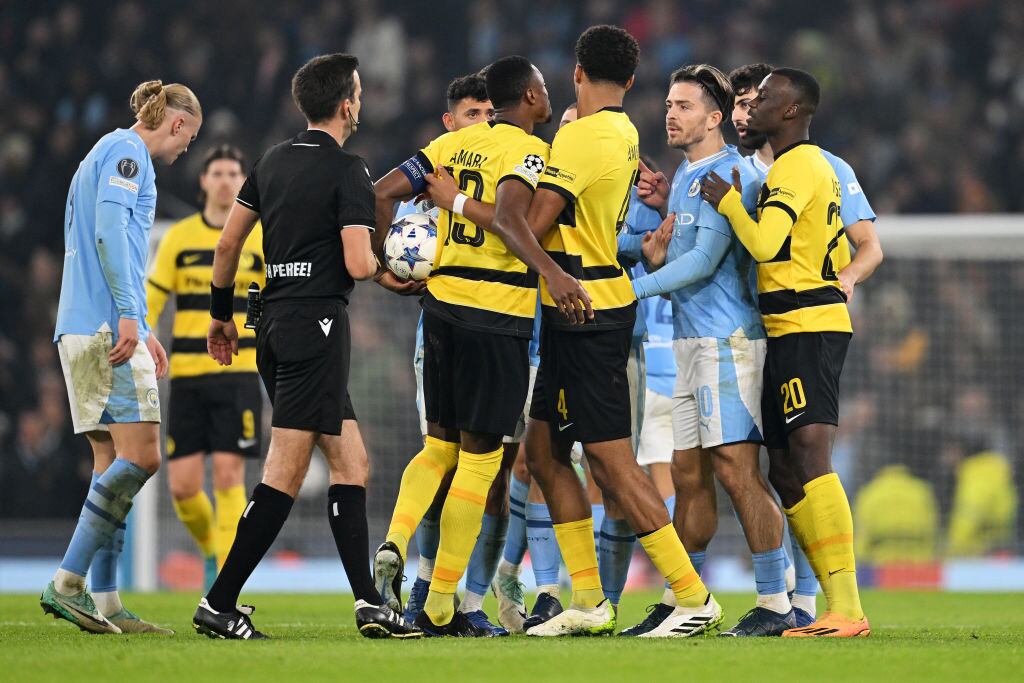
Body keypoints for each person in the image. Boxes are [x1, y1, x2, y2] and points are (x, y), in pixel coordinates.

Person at [193, 53, 418, 640]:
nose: (361, 102)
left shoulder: (269, 161)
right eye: (360, 94)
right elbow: (356, 261)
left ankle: (369, 602)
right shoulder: (351, 171)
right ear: (347, 105)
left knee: (352, 462)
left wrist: (221, 318)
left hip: (270, 325)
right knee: (285, 472)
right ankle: (218, 602)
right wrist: (391, 271)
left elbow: (227, 248)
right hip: (316, 329)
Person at [372, 54, 587, 637]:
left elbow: (382, 192)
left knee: (438, 447)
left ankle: (393, 539)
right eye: (543, 88)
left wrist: (381, 262)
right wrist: (555, 275)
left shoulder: (449, 148)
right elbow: (515, 223)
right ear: (529, 97)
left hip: (439, 308)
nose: (547, 95)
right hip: (495, 316)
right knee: (481, 458)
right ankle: (442, 604)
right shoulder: (527, 152)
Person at [516, 25, 720, 638]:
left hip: (587, 309)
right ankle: (591, 600)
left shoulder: (580, 138)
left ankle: (691, 596)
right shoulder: (624, 131)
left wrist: (469, 202)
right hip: (577, 307)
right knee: (544, 451)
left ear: (577, 73)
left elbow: (531, 222)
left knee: (609, 459)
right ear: (630, 82)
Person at [617, 64, 794, 637]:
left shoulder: (732, 174)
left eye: (685, 106)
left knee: (738, 473)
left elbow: (701, 263)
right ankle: (683, 600)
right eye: (669, 104)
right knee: (689, 475)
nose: (671, 113)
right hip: (691, 343)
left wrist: (627, 289)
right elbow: (670, 250)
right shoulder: (687, 174)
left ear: (715, 118)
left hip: (728, 343)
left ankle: (775, 601)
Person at [701, 67, 874, 637]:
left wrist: (728, 204)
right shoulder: (795, 164)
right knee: (785, 465)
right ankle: (831, 602)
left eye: (767, 98)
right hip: (785, 328)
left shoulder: (799, 166)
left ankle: (846, 606)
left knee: (810, 455)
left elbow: (767, 244)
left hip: (809, 324)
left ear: (793, 111)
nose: (753, 108)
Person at [42, 79, 202, 634]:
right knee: (145, 457)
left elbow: (117, 246)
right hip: (107, 329)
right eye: (190, 138)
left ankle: (105, 602)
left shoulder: (103, 151)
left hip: (86, 326)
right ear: (178, 123)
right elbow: (110, 232)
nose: (187, 150)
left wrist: (146, 324)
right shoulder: (129, 152)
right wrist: (132, 317)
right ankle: (67, 582)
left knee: (111, 464)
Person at [394, 74, 512, 635]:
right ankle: (429, 589)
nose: (483, 121)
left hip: (503, 328)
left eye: (490, 112)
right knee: (459, 464)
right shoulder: (431, 186)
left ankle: (471, 600)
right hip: (471, 326)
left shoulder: (473, 170)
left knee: (496, 478)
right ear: (449, 121)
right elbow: (402, 247)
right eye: (471, 113)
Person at [146, 145, 264, 591]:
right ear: (203, 182)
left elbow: (265, 299)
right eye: (216, 172)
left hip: (239, 370)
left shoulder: (258, 237)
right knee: (182, 487)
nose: (225, 179)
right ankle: (213, 546)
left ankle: (224, 577)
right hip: (189, 375)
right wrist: (142, 332)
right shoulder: (179, 237)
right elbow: (155, 296)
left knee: (230, 475)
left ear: (242, 182)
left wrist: (254, 332)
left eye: (234, 172)